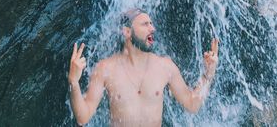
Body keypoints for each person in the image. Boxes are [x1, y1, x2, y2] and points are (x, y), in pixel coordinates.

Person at [68, 8, 219, 126]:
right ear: (127, 32)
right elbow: (83, 117)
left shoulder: (165, 66)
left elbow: (192, 104)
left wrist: (208, 74)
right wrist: (74, 82)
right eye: (145, 24)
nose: (152, 28)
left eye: (151, 24)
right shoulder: (106, 68)